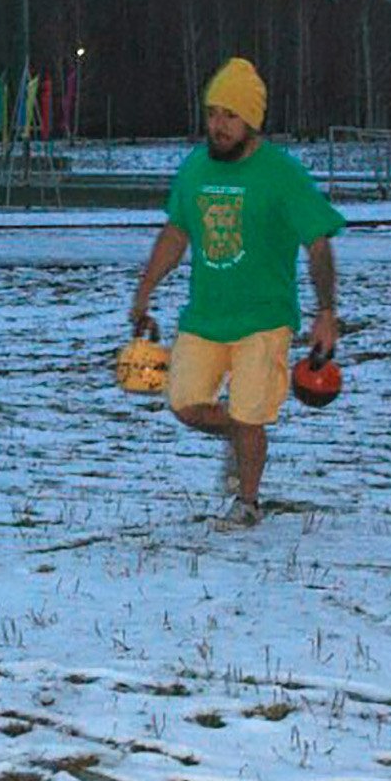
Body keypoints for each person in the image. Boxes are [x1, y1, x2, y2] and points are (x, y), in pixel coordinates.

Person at [129, 58, 345, 527]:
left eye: (230, 115)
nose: (218, 126)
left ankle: (247, 502)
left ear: (252, 120)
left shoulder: (281, 174)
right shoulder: (194, 170)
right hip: (205, 316)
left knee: (251, 413)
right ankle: (239, 436)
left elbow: (318, 242)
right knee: (184, 404)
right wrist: (145, 291)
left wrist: (326, 311)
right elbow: (175, 233)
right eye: (213, 113)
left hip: (265, 319)